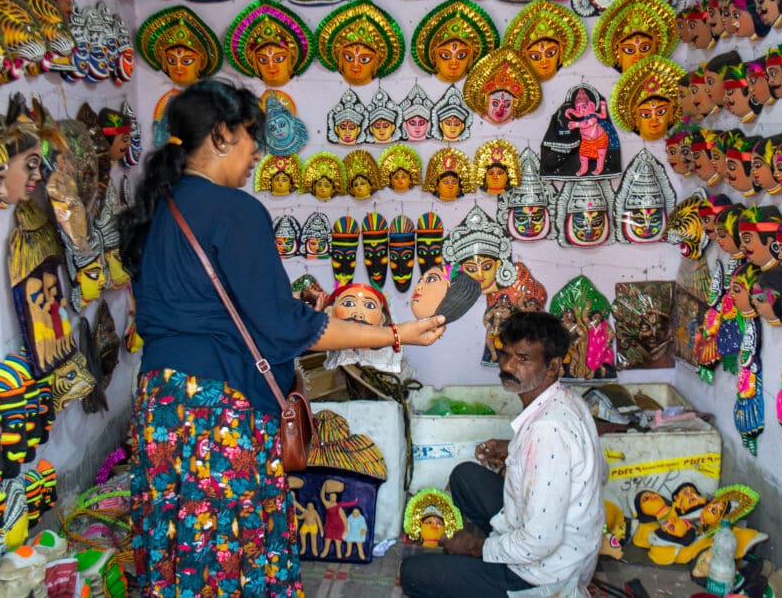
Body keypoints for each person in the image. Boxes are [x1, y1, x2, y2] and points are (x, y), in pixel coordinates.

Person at [119, 79, 446, 597]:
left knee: (185, 541)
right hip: (219, 410)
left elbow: (192, 312)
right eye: (252, 137)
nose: (256, 154)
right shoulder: (236, 210)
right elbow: (285, 327)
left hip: (161, 407)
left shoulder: (152, 212)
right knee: (234, 546)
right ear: (222, 136)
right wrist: (394, 333)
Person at [401, 311, 606, 598]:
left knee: (413, 574)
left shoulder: (546, 431)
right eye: (505, 354)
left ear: (553, 365)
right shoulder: (568, 400)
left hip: (541, 575)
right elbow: (587, 468)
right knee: (465, 476)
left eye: (523, 359)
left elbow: (541, 541)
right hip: (561, 548)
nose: (508, 365)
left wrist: (475, 548)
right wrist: (512, 447)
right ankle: (490, 552)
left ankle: (490, 563)